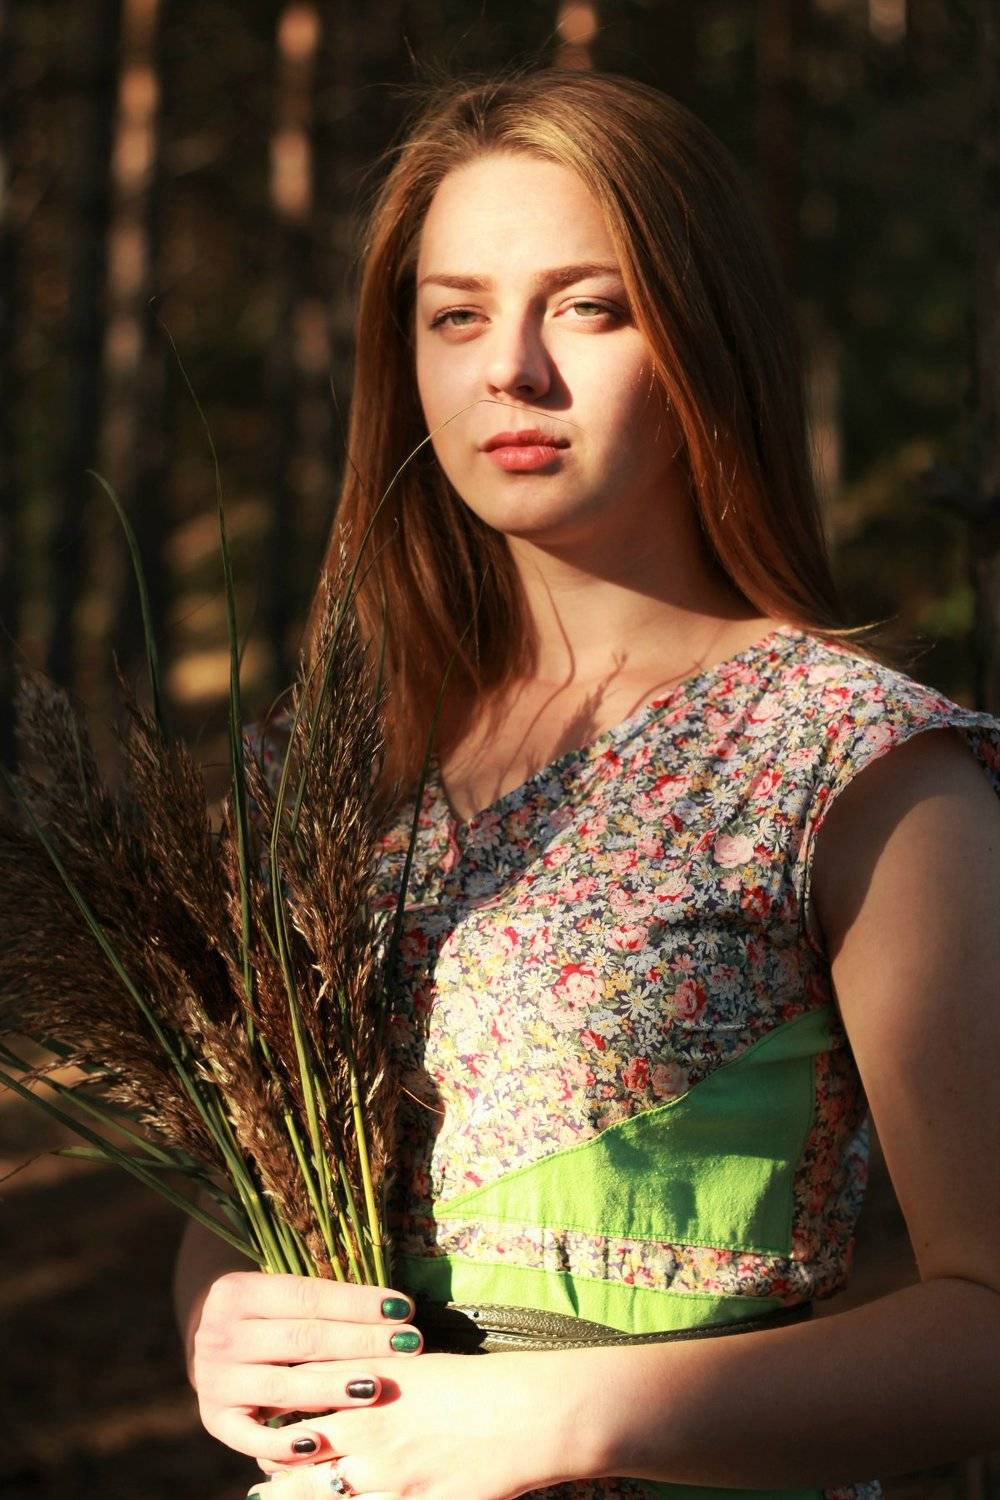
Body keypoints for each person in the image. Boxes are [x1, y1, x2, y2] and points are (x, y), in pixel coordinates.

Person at [173, 68, 1000, 1500]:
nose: (511, 368)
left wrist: (548, 1420)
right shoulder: (321, 767)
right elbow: (236, 1201)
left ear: (704, 339)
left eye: (590, 307)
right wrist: (219, 1321)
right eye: (457, 315)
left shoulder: (855, 762)